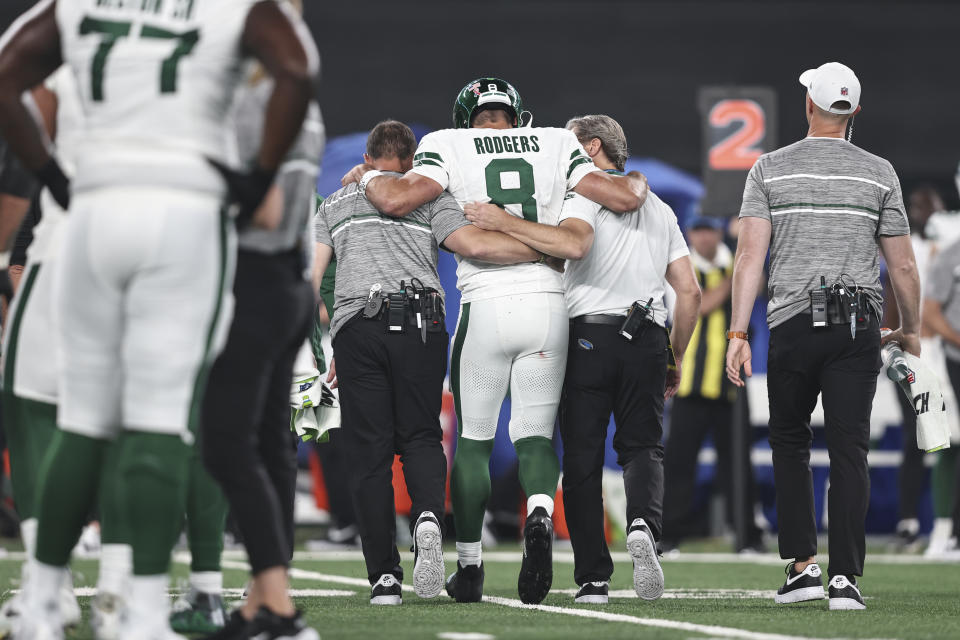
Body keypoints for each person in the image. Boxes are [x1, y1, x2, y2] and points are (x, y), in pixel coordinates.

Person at [0, 1, 319, 638]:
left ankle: (39, 600)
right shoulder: (236, 8)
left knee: (81, 421)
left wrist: (51, 174)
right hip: (183, 212)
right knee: (158, 421)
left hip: (90, 211)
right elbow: (297, 68)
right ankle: (136, 610)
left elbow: (5, 71)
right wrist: (255, 181)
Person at [343, 78, 647, 605]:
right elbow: (619, 201)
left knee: (474, 442)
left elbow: (395, 199)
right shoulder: (556, 142)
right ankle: (538, 511)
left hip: (484, 302)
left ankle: (471, 566)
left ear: (468, 117)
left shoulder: (447, 143)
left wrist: (367, 175)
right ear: (517, 114)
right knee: (533, 435)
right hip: (548, 306)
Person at [467, 114, 699, 604]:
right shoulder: (659, 208)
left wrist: (504, 222)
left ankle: (593, 577)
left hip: (588, 335)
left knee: (582, 460)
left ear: (591, 148)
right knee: (643, 447)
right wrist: (673, 352)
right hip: (650, 334)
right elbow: (690, 292)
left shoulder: (579, 195)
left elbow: (564, 246)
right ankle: (642, 526)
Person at [315, 119, 547, 605]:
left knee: (370, 454)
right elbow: (476, 246)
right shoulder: (431, 198)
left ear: (368, 154)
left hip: (359, 326)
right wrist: (543, 249)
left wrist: (329, 340)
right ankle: (425, 515)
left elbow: (312, 276)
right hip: (421, 323)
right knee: (420, 436)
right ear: (413, 160)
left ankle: (383, 578)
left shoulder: (335, 205)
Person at [725, 61, 921, 611]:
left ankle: (804, 569)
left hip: (792, 322)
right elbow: (903, 269)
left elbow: (749, 258)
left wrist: (738, 331)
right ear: (853, 111)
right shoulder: (880, 173)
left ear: (808, 105)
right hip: (858, 325)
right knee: (849, 449)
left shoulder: (769, 168)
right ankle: (845, 581)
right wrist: (911, 331)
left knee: (790, 443)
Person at [198, 34, 324, 640]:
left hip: (252, 279)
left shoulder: (252, 99)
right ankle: (264, 599)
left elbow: (263, 209)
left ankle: (274, 601)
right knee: (271, 441)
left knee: (225, 442)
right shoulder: (301, 99)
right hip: (288, 283)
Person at [0, 68, 84, 639]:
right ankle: (139, 598)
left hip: (70, 242)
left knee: (29, 400)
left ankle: (48, 585)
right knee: (148, 421)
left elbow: (15, 92)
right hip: (176, 248)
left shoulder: (71, 33)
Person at [662, 215, 765, 553]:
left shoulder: (735, 264)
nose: (704, 237)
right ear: (690, 233)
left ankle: (746, 536)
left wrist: (743, 262)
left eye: (710, 230)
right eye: (699, 230)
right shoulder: (681, 266)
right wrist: (738, 276)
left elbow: (759, 282)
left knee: (738, 463)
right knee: (679, 463)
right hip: (688, 383)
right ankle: (669, 536)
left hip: (731, 382)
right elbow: (699, 305)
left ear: (719, 232)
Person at [883, 186, 945, 549]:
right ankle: (909, 520)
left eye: (931, 207)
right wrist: (894, 353)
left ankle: (945, 523)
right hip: (915, 354)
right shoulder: (908, 251)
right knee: (916, 437)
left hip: (946, 355)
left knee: (946, 440)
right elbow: (893, 303)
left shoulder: (950, 249)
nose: (926, 215)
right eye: (920, 208)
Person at [918, 237, 960, 555]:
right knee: (950, 442)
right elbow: (929, 314)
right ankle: (944, 530)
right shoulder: (950, 254)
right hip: (952, 360)